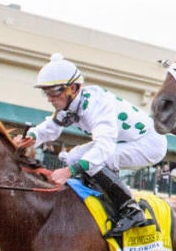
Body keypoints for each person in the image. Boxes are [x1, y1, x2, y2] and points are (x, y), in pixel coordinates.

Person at [16, 53, 167, 238]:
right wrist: (31, 137)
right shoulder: (70, 103)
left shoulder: (97, 105)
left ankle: (131, 209)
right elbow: (51, 127)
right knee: (73, 156)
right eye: (45, 92)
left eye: (53, 91)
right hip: (126, 141)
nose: (49, 98)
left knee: (97, 160)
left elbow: (104, 147)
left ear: (73, 88)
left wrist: (68, 172)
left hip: (149, 143)